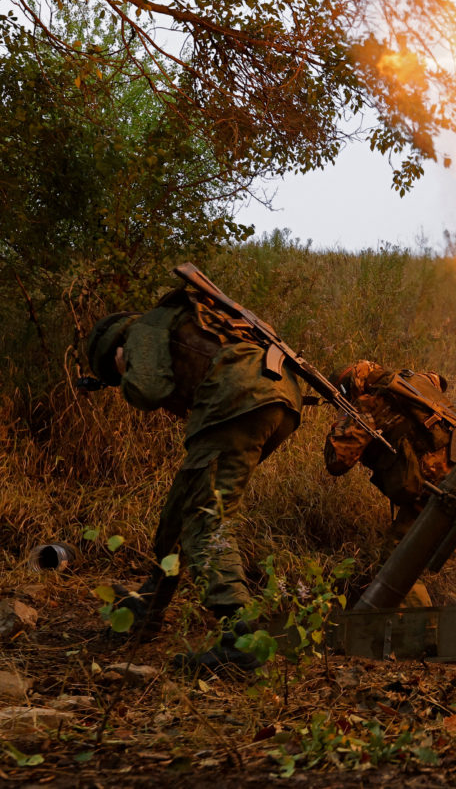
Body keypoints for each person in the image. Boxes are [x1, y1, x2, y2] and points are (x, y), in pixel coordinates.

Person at [84, 283, 304, 669]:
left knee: (207, 520)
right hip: (277, 400)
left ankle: (241, 638)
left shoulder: (144, 331)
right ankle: (147, 609)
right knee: (180, 510)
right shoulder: (183, 321)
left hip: (237, 400)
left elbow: (149, 390)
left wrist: (126, 370)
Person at [324, 360, 456, 605]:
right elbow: (438, 379)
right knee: (408, 560)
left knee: (396, 565)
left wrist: (343, 418)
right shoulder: (418, 380)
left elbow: (337, 462)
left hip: (435, 485)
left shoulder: (368, 405)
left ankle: (420, 633)